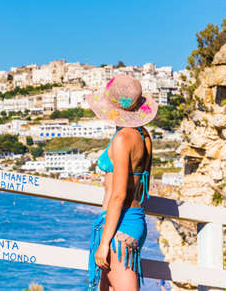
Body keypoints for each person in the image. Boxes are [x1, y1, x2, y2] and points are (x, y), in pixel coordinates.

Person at [85, 74, 158, 290]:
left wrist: (104, 243)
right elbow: (142, 186)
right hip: (135, 219)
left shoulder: (122, 139)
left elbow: (118, 196)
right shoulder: (144, 136)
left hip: (118, 227)